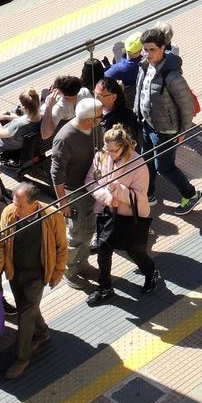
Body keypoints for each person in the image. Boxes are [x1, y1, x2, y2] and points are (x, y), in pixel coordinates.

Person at [0, 182, 65, 378]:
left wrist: (57, 273)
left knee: (25, 316)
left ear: (34, 204)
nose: (16, 208)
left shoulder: (52, 216)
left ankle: (22, 359)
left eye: (20, 205)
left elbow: (62, 247)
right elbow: (0, 247)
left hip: (37, 276)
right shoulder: (8, 213)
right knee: (27, 309)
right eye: (14, 203)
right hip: (15, 273)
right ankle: (43, 333)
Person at [86, 126, 159, 305]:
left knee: (134, 250)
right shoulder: (101, 156)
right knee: (103, 250)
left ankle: (150, 271)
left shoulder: (138, 164)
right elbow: (90, 181)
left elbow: (140, 197)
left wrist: (115, 189)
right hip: (107, 213)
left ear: (124, 146)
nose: (109, 154)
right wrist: (107, 197)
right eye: (106, 149)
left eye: (113, 150)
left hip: (130, 217)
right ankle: (104, 287)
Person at [134, 29, 202, 214]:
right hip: (148, 125)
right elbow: (140, 93)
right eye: (145, 50)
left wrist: (182, 132)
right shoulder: (144, 67)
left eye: (152, 50)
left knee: (164, 167)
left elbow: (187, 107)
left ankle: (191, 194)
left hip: (166, 130)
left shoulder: (172, 77)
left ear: (163, 48)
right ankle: (149, 194)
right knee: (146, 160)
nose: (148, 54)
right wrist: (137, 115)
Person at [50, 97, 102, 287]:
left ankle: (82, 262)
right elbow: (56, 173)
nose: (102, 119)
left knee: (89, 229)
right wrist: (63, 202)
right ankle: (69, 269)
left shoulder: (94, 127)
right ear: (89, 119)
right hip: (75, 192)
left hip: (93, 186)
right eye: (100, 116)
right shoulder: (65, 139)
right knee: (76, 233)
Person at [38, 75, 89, 142]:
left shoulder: (59, 107)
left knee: (44, 92)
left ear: (63, 93)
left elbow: (45, 135)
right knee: (45, 91)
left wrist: (48, 106)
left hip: (65, 138)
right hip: (81, 131)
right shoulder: (85, 92)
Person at [95, 74, 141, 145]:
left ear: (113, 97)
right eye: (94, 94)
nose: (95, 98)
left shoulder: (125, 119)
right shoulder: (96, 111)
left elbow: (130, 145)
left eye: (100, 96)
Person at [104, 39, 144, 109]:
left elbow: (104, 77)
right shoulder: (143, 62)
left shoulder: (120, 68)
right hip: (135, 95)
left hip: (125, 100)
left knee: (118, 46)